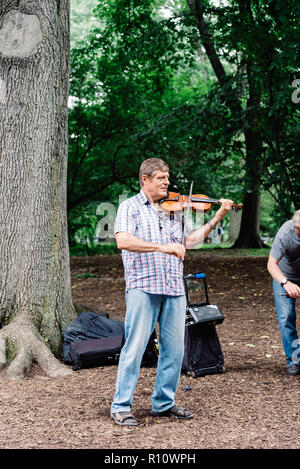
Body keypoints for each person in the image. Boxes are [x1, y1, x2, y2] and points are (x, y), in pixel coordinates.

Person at [110, 158, 234, 426]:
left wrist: (216, 218)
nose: (167, 182)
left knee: (175, 350)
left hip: (174, 288)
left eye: (168, 178)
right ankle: (121, 406)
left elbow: (189, 241)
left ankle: (163, 403)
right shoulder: (129, 206)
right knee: (135, 347)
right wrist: (162, 247)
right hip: (143, 286)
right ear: (145, 179)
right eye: (161, 178)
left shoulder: (175, 210)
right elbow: (123, 240)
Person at [267, 210, 300, 376]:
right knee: (286, 317)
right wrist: (286, 283)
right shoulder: (285, 233)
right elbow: (271, 265)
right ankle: (295, 361)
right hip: (284, 277)